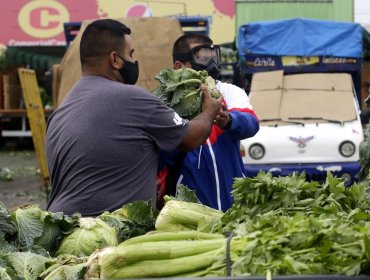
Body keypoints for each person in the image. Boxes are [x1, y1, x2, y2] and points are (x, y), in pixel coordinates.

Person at [45, 19, 222, 217]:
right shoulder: (133, 98)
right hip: (110, 235)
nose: (133, 61)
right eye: (130, 55)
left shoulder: (60, 112)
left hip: (61, 226)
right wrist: (209, 111)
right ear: (115, 59)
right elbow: (190, 137)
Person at [160, 34, 259, 212]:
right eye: (202, 59)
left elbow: (251, 123)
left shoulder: (229, 91)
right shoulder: (165, 103)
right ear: (179, 67)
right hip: (188, 210)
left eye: (213, 57)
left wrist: (229, 120)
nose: (210, 64)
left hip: (235, 205)